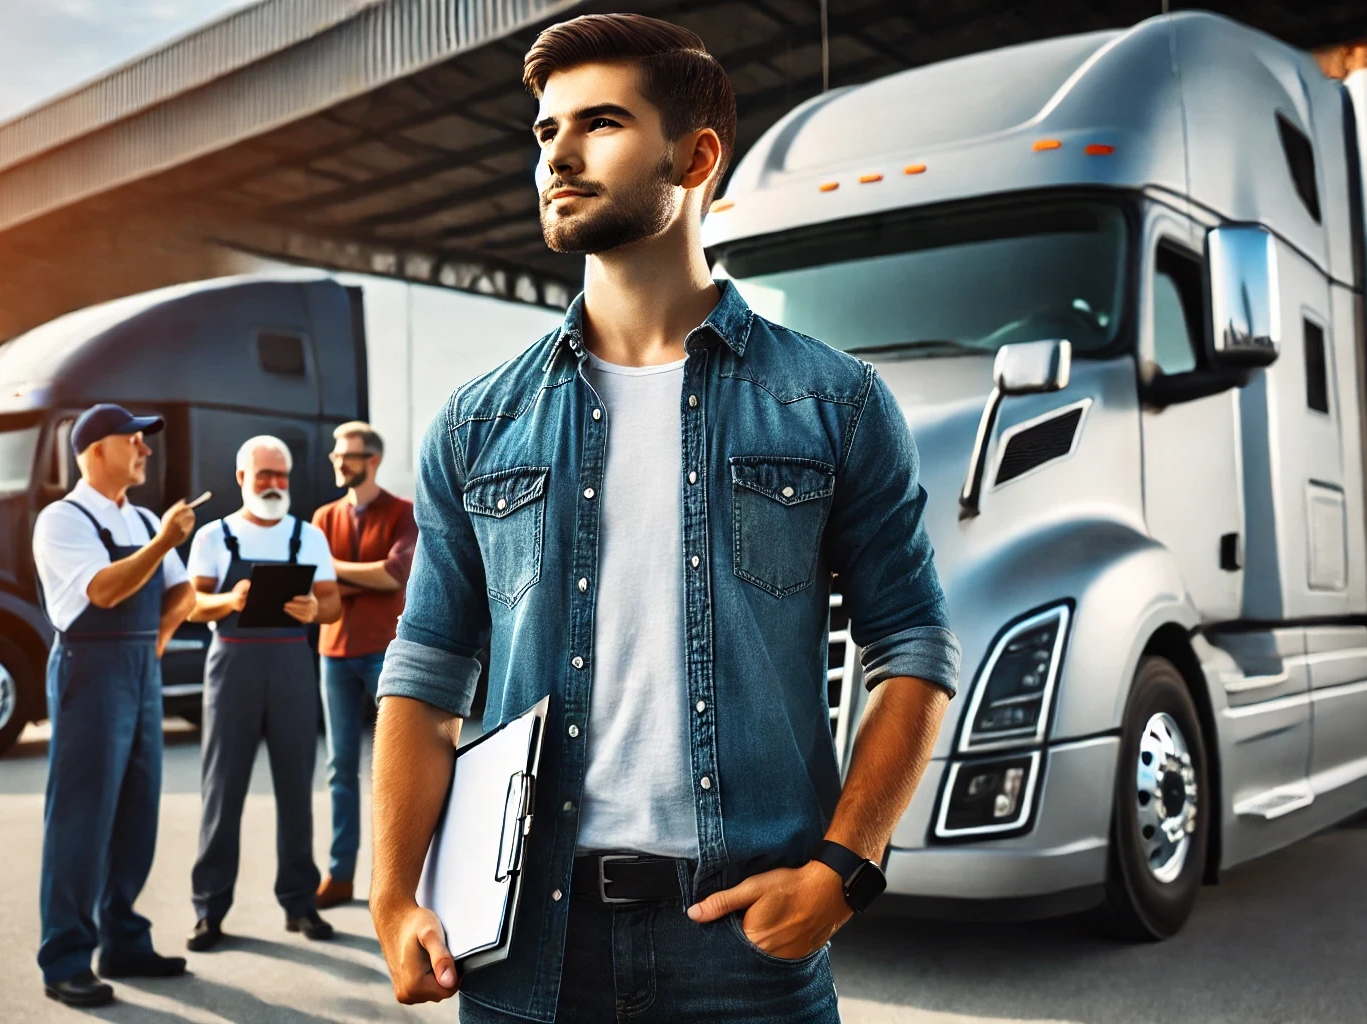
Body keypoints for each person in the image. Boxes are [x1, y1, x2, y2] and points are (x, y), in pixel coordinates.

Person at [369, 14, 960, 1024]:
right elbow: (426, 675)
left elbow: (910, 646)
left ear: (694, 155)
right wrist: (391, 896)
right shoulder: (477, 424)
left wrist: (842, 870)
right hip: (520, 949)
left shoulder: (833, 404)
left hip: (742, 950)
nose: (556, 149)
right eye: (545, 129)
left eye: (599, 123)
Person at [32, 403, 198, 1008]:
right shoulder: (62, 520)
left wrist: (155, 639)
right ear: (96, 449)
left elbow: (181, 591)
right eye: (135, 440)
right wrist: (160, 543)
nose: (146, 451)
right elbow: (101, 591)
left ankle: (123, 940)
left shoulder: (145, 517)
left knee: (136, 808)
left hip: (137, 668)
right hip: (90, 667)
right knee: (81, 814)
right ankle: (66, 958)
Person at [183, 436, 344, 951]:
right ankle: (209, 910)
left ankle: (299, 904)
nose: (274, 485)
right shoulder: (213, 536)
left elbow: (333, 604)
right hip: (232, 663)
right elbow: (190, 607)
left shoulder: (309, 536)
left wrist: (314, 613)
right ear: (240, 479)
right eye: (263, 476)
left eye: (281, 476)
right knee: (222, 790)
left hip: (292, 664)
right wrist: (229, 598)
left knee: (297, 788)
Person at [310, 421, 418, 908]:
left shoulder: (403, 514)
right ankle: (340, 874)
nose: (338, 460)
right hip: (333, 652)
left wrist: (332, 570)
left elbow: (393, 574)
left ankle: (400, 881)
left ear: (372, 460)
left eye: (347, 454)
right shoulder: (322, 516)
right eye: (336, 453)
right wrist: (360, 578)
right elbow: (316, 586)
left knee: (397, 768)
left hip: (384, 651)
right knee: (339, 769)